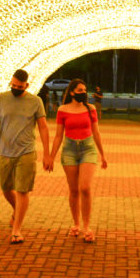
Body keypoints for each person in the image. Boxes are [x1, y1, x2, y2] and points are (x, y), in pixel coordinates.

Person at [0, 69, 52, 244]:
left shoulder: (35, 101)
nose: (16, 89)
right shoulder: (1, 99)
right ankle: (17, 210)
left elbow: (43, 127)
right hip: (4, 151)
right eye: (13, 85)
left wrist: (47, 153)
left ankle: (16, 229)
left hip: (26, 152)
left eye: (19, 87)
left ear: (26, 85)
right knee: (6, 189)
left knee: (22, 190)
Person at [49, 79, 108, 242]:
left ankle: (87, 227)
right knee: (74, 190)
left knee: (85, 187)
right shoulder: (62, 110)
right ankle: (76, 224)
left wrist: (103, 155)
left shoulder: (91, 109)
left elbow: (96, 132)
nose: (83, 93)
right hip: (69, 151)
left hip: (88, 149)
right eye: (80, 90)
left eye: (84, 90)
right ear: (72, 92)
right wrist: (51, 156)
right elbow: (58, 136)